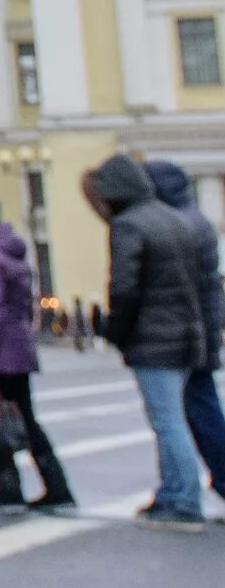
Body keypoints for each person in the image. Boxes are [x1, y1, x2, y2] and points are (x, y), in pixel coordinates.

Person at [86, 155, 207, 526]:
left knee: (167, 421)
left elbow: (124, 289)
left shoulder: (128, 226)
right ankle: (173, 492)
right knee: (174, 419)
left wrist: (114, 332)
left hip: (154, 339)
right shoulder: (172, 218)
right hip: (186, 336)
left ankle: (183, 500)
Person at [0, 197, 70, 510]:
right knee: (21, 418)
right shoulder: (11, 251)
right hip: (18, 349)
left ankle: (13, 487)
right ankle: (53, 485)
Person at [145, 159, 225, 499]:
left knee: (194, 412)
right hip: (201, 329)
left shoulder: (177, 225)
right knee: (201, 407)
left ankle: (213, 482)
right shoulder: (194, 219)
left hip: (190, 332)